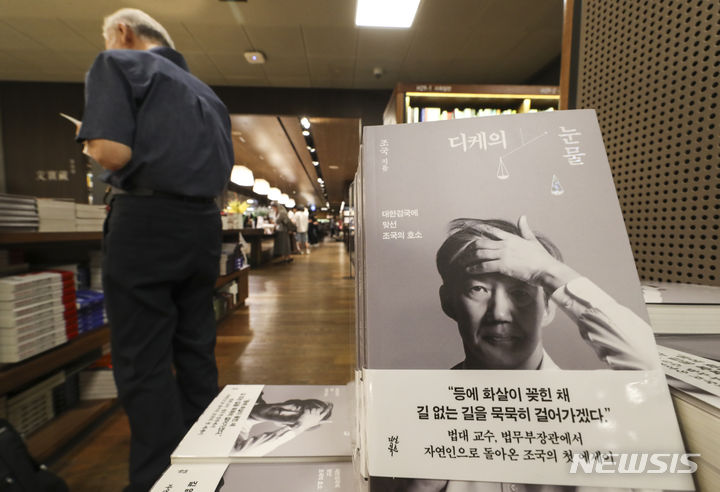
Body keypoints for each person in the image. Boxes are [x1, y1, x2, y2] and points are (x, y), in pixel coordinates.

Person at [375, 215, 659, 492]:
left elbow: (653, 368)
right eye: (478, 289)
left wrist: (549, 273)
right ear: (448, 303)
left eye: (520, 293)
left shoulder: (602, 408)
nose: (499, 313)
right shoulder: (408, 420)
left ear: (549, 308)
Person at [75, 8, 233, 492]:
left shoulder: (117, 63)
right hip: (203, 226)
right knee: (196, 349)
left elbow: (112, 152)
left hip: (146, 222)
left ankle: (157, 480)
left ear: (123, 33)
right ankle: (206, 470)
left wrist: (89, 144)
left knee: (143, 359)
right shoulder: (208, 95)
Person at [232, 394, 333, 456]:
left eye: (295, 417)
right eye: (298, 407)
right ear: (291, 400)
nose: (285, 412)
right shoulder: (253, 390)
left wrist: (300, 426)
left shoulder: (236, 438)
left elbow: (236, 454)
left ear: (281, 425)